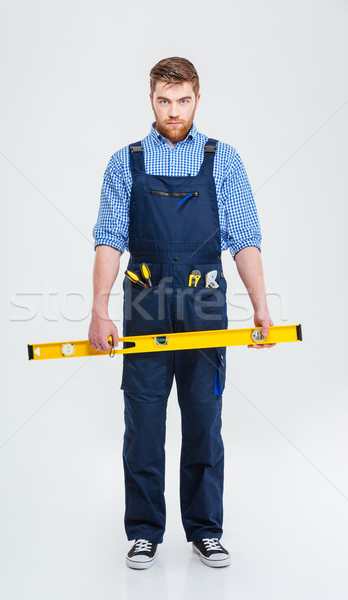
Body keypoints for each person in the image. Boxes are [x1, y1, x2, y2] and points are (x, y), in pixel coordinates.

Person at [89, 57, 275, 570]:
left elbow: (244, 241)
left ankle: (205, 530)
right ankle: (145, 531)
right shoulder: (124, 161)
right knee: (143, 424)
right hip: (144, 305)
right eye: (164, 100)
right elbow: (109, 241)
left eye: (184, 100)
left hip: (205, 306)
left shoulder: (225, 160)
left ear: (198, 98)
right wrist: (99, 310)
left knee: (203, 421)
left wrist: (261, 307)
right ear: (151, 100)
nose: (174, 111)